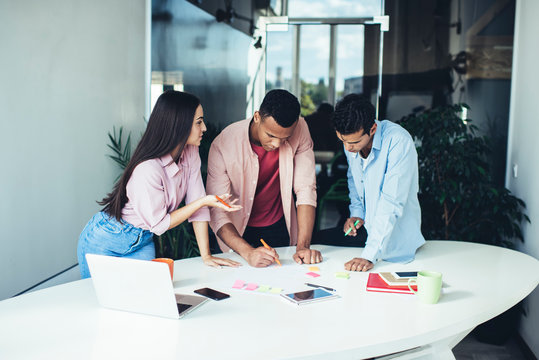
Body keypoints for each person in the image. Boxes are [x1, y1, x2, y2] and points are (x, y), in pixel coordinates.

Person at [77, 90, 241, 279]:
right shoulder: (148, 169)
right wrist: (203, 202)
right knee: (101, 299)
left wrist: (206, 256)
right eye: (198, 122)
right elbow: (160, 224)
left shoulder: (190, 153)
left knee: (145, 295)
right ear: (179, 124)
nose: (204, 128)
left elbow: (198, 204)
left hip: (143, 240)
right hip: (106, 241)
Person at [206, 89, 322, 267]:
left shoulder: (300, 129)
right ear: (257, 116)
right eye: (271, 135)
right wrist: (248, 252)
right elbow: (217, 209)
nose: (276, 144)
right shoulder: (224, 144)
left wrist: (303, 247)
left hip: (279, 225)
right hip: (236, 232)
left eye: (285, 138)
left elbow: (306, 188)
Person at [313, 94, 425, 272]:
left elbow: (391, 201)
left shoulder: (398, 141)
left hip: (393, 240)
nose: (348, 148)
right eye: (343, 141)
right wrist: (357, 214)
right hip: (366, 229)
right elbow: (355, 179)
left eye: (354, 142)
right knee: (317, 242)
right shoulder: (351, 139)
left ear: (372, 128)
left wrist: (368, 255)